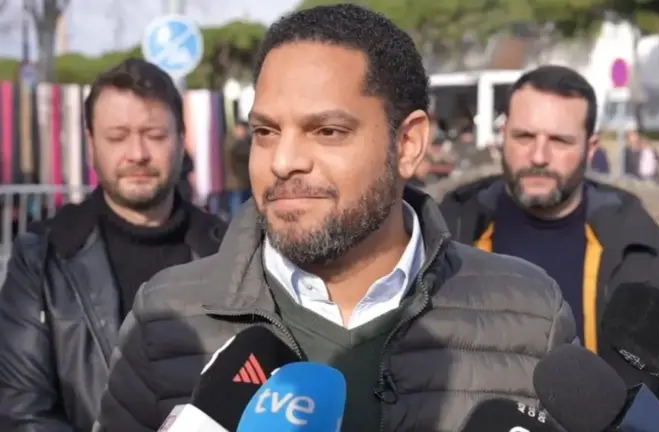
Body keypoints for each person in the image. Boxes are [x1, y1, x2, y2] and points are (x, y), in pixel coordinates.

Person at [95, 6, 577, 432]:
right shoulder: (166, 317)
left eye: (327, 131)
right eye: (265, 131)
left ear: (408, 144)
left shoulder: (531, 316)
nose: (283, 161)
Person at [439, 65, 659, 430]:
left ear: (590, 148)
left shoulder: (633, 238)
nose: (538, 156)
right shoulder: (450, 227)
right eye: (524, 136)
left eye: (560, 141)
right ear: (503, 136)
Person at [0, 58, 226, 431]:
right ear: (91, 144)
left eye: (155, 134)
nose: (137, 153)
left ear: (181, 138)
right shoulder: (43, 257)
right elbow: (23, 412)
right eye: (117, 136)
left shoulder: (231, 252)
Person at [223, 120, 252, 214]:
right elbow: (245, 153)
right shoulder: (233, 142)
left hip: (242, 182)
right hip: (236, 183)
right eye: (244, 129)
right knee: (237, 209)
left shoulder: (239, 141)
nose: (245, 132)